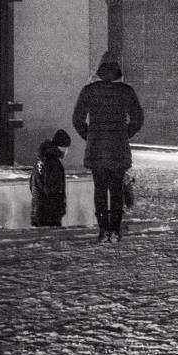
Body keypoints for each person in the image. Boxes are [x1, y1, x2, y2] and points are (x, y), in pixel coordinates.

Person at [72, 52, 144, 242]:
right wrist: (125, 134)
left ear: (100, 68)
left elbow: (77, 119)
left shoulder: (89, 90)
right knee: (117, 190)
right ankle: (115, 230)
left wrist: (90, 136)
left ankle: (103, 229)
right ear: (118, 69)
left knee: (100, 190)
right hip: (118, 148)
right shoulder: (126, 91)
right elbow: (138, 118)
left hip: (97, 148)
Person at [28, 129, 71, 228]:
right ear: (61, 147)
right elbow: (53, 189)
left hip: (37, 209)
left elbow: (31, 183)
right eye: (66, 148)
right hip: (50, 214)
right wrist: (60, 207)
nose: (67, 152)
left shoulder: (40, 159)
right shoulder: (53, 163)